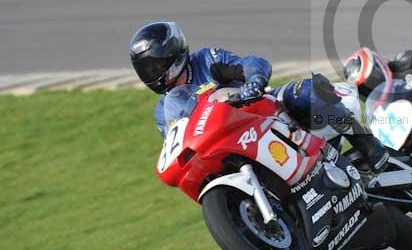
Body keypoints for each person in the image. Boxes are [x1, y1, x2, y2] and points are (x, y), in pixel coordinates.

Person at [129, 21, 388, 171]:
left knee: (307, 92)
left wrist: (253, 82)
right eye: (146, 69)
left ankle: (372, 150)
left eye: (155, 65)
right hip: (229, 145)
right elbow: (179, 145)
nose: (153, 74)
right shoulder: (163, 110)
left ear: (172, 54)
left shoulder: (206, 60)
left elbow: (252, 63)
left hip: (263, 111)